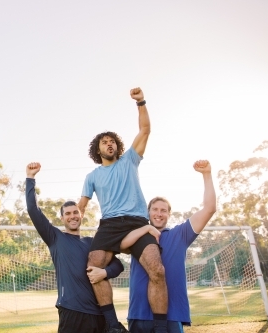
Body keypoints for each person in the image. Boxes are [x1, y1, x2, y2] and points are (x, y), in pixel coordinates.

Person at [78, 87, 168, 333]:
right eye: (104, 142)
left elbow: (145, 130)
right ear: (98, 150)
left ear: (117, 146)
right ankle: (112, 325)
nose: (109, 144)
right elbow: (82, 206)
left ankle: (160, 327)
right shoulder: (93, 176)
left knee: (157, 270)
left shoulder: (129, 160)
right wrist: (74, 221)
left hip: (138, 222)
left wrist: (141, 102)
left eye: (112, 141)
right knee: (92, 267)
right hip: (109, 225)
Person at [26, 162, 125, 333]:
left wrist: (105, 272)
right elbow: (33, 210)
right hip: (72, 313)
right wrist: (30, 178)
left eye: (75, 213)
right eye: (68, 214)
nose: (72, 216)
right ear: (62, 218)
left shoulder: (92, 243)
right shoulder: (55, 238)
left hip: (100, 314)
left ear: (81, 216)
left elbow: (118, 265)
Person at [127, 160, 217, 333]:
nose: (159, 214)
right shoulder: (137, 235)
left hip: (172, 315)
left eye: (163, 210)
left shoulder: (180, 234)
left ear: (169, 214)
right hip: (138, 314)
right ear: (148, 212)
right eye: (155, 209)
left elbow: (210, 208)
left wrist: (207, 174)